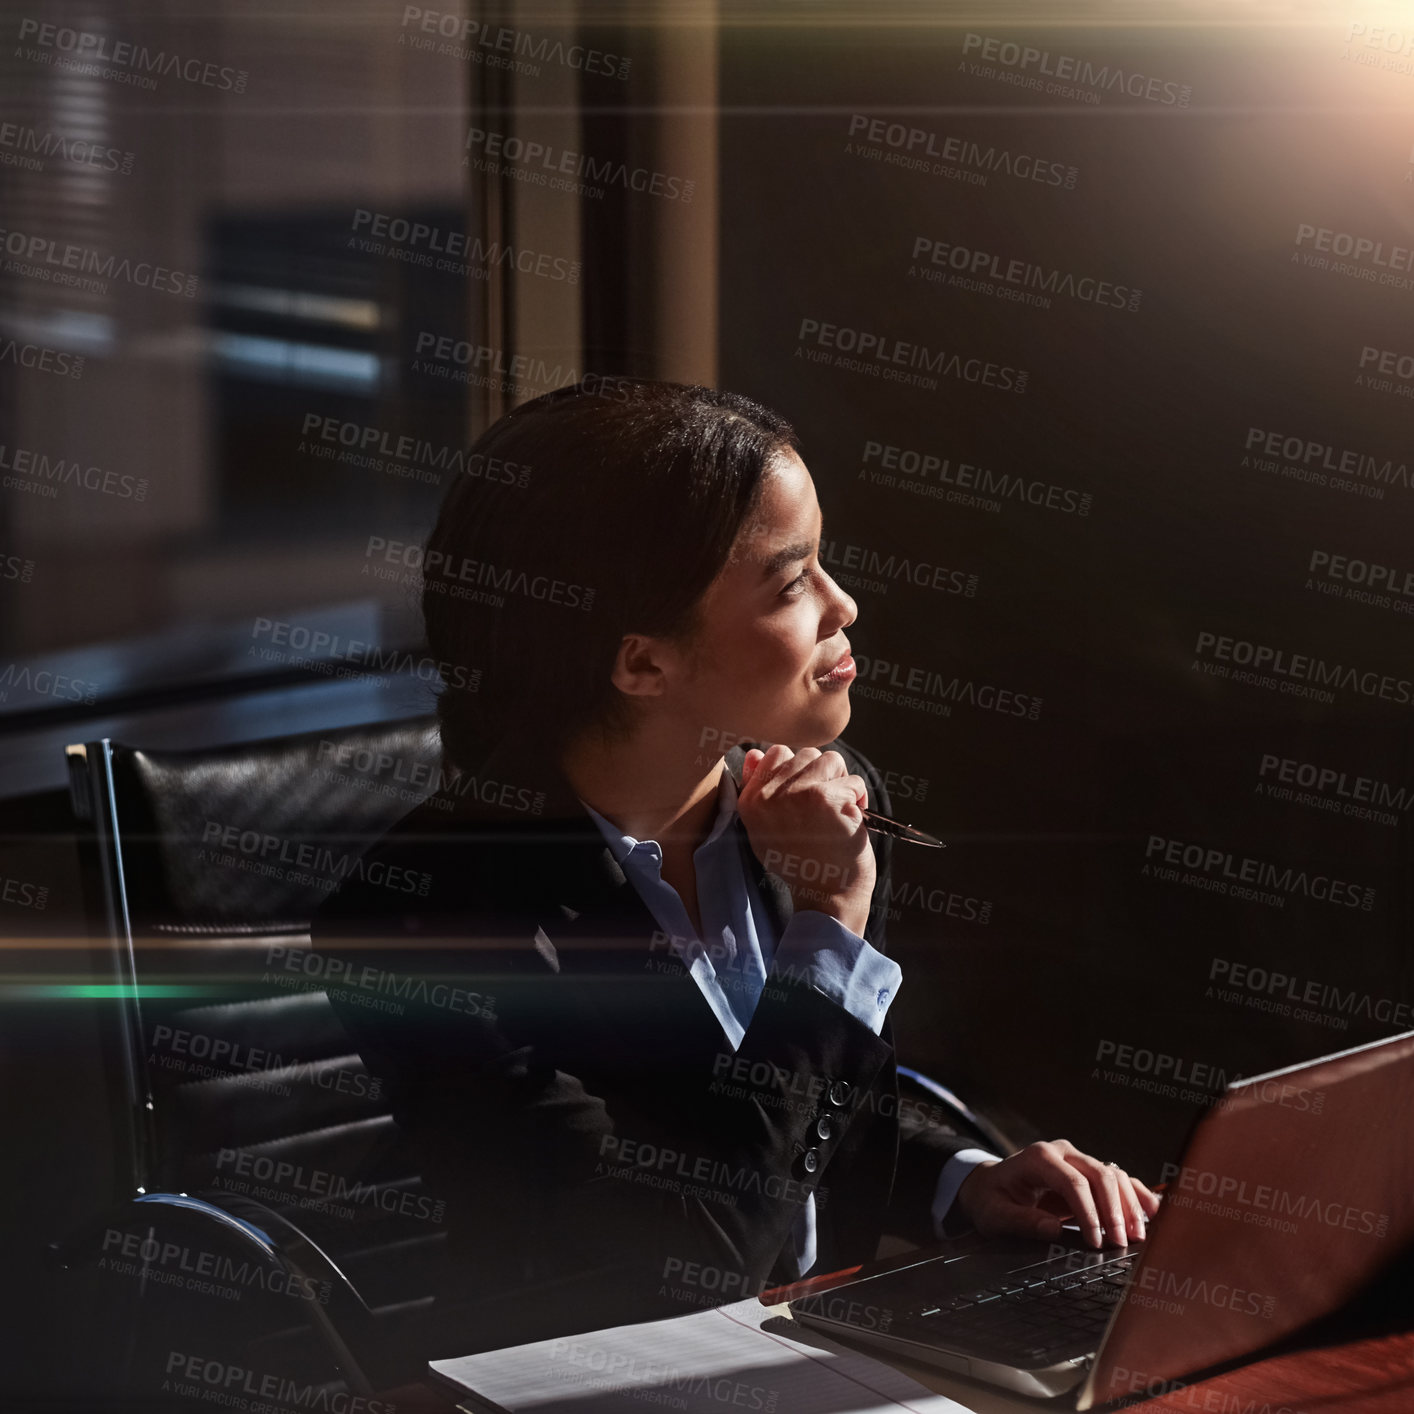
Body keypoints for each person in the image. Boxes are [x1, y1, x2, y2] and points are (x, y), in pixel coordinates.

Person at [310, 376, 1158, 1355]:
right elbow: (683, 1259)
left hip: (820, 1347)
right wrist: (826, 932)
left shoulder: (811, 805)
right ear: (641, 664)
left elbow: (798, 1094)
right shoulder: (425, 917)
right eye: (792, 582)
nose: (845, 604)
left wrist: (957, 1177)